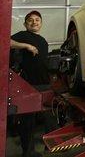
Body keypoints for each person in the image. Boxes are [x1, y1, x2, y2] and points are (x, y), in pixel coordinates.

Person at [10, 10, 50, 157]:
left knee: (50, 118)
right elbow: (5, 41)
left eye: (37, 20)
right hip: (28, 85)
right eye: (30, 20)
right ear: (25, 24)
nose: (34, 22)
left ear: (41, 23)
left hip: (45, 84)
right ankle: (28, 153)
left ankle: (50, 148)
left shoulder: (43, 41)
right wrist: (26, 46)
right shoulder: (22, 35)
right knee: (27, 123)